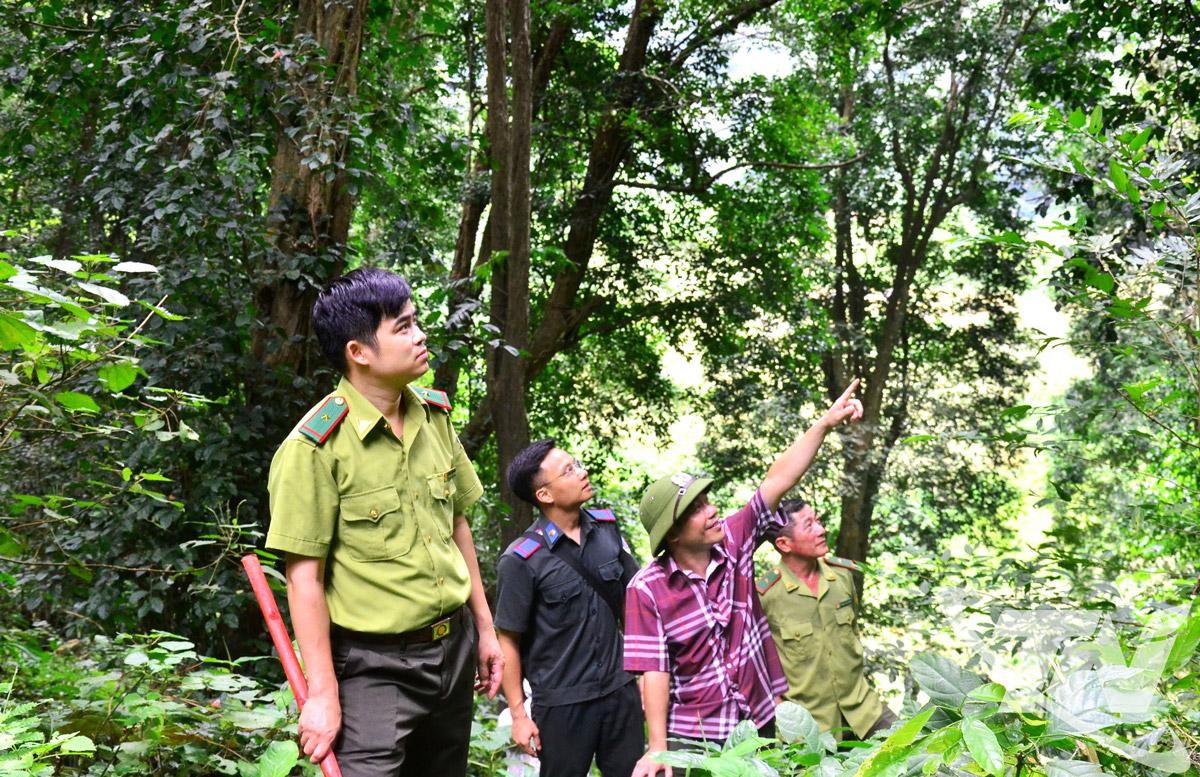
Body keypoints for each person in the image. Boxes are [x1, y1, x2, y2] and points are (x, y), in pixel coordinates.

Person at [264, 268, 504, 777]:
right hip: (374, 668)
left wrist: (486, 629)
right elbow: (304, 578)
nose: (420, 336)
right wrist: (323, 694)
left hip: (454, 650)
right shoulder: (313, 448)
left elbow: (457, 524)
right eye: (403, 327)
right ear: (359, 352)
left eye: (415, 322)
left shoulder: (434, 417)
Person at [624, 380, 864, 777]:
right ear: (674, 533)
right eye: (697, 509)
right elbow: (653, 670)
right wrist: (657, 749)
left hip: (758, 721)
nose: (713, 510)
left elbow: (777, 480)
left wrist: (824, 424)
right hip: (695, 734)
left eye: (707, 500)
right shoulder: (647, 589)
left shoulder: (735, 541)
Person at [494, 440, 644, 777]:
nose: (582, 472)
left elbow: (634, 606)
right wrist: (519, 716)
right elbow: (508, 641)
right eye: (569, 470)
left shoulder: (607, 528)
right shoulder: (521, 560)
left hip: (620, 691)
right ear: (544, 495)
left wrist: (645, 678)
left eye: (576, 464)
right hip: (562, 704)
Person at [758, 500, 896, 739]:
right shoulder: (766, 594)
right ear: (784, 544)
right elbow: (757, 663)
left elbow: (852, 630)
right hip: (809, 725)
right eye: (809, 525)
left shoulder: (842, 576)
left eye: (818, 521)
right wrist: (780, 710)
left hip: (863, 710)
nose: (821, 530)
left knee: (916, 749)